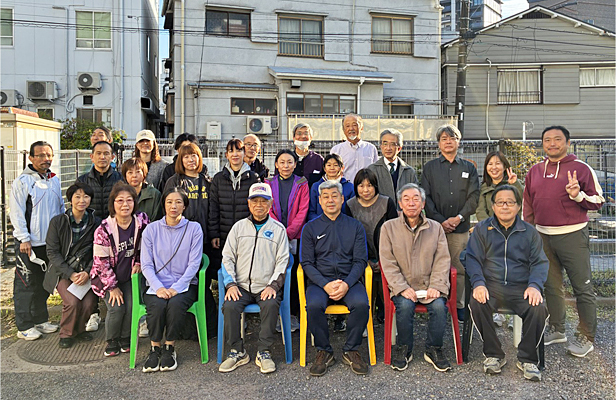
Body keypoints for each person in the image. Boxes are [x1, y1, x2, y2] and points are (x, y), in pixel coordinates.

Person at [523, 126, 604, 358]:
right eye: (547, 140)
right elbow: (528, 203)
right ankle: (557, 329)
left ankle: (586, 336)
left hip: (572, 235)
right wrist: (529, 230)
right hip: (542, 236)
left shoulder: (581, 168)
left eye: (557, 139)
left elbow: (598, 200)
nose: (552, 143)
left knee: (582, 287)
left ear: (567, 142)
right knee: (551, 285)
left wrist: (577, 195)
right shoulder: (535, 171)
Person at [466, 185, 549, 381]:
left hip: (521, 287)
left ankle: (527, 358)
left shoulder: (529, 232)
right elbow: (472, 258)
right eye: (500, 202)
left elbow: (539, 262)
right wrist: (478, 283)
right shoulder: (482, 229)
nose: (505, 206)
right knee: (477, 303)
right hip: (491, 286)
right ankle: (494, 354)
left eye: (510, 202)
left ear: (518, 206)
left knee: (538, 307)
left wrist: (535, 285)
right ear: (493, 206)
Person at [380, 183, 452, 372]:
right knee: (404, 306)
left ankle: (434, 348)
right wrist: (402, 288)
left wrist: (436, 285)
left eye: (416, 199)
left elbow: (442, 260)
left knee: (439, 307)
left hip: (430, 286)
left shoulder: (435, 228)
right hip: (402, 286)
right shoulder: (388, 228)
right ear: (400, 203)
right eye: (406, 199)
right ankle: (404, 348)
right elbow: (388, 262)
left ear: (423, 203)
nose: (411, 203)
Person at [218, 183, 290, 374]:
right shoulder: (238, 228)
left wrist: (273, 285)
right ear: (248, 204)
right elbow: (227, 257)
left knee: (271, 304)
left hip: (266, 286)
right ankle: (237, 351)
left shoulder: (278, 229)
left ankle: (264, 352)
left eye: (263, 201)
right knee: (230, 306)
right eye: (255, 201)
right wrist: (231, 284)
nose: (259, 205)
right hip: (240, 286)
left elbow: (283, 261)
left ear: (270, 204)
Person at [300, 180, 370, 376]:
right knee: (313, 306)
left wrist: (346, 284)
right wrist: (325, 284)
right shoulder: (310, 228)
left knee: (361, 304)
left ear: (342, 199)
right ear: (320, 201)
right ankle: (324, 351)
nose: (330, 200)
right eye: (326, 197)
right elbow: (307, 263)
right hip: (320, 282)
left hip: (349, 280)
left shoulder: (355, 226)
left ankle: (351, 349)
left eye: (334, 196)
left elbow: (360, 261)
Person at [140, 187, 204, 373]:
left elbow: (194, 264)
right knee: (157, 305)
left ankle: (169, 347)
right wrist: (158, 287)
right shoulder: (151, 230)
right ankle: (154, 348)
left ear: (185, 206)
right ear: (164, 205)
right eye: (169, 202)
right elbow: (146, 265)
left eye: (178, 202)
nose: (173, 206)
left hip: (184, 285)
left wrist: (177, 287)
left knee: (175, 304)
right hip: (156, 285)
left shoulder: (194, 229)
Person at [420, 124, 479, 321]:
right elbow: (425, 197)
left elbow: (474, 197)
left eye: (452, 138)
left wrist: (459, 217)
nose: (448, 142)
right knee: (433, 266)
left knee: (459, 267)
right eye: (444, 138)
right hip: (435, 228)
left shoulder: (469, 168)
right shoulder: (430, 168)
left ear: (458, 142)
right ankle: (435, 302)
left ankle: (459, 305)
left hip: (460, 228)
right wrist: (440, 221)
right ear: (439, 143)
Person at [9, 141, 64, 340]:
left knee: (43, 284)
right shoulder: (23, 182)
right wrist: (24, 238)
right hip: (29, 243)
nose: (45, 159)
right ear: (31, 158)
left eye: (49, 155)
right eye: (40, 155)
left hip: (49, 243)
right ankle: (24, 325)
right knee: (25, 284)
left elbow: (60, 208)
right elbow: (16, 212)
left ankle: (40, 319)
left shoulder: (54, 180)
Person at [163, 142, 216, 336]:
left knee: (202, 283)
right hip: (180, 242)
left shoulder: (207, 181)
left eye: (194, 156)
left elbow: (213, 210)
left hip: (204, 240)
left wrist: (213, 234)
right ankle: (184, 328)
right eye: (186, 156)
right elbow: (167, 210)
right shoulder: (174, 182)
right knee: (183, 282)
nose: (190, 160)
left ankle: (206, 327)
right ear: (180, 159)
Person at [90, 182, 149, 357]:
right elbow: (101, 263)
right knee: (116, 308)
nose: (125, 205)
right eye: (120, 200)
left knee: (131, 306)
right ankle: (112, 340)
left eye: (129, 200)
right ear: (113, 203)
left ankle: (126, 338)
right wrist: (112, 287)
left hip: (130, 276)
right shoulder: (103, 230)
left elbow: (148, 245)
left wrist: (139, 262)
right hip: (107, 278)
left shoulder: (142, 222)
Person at [44, 182, 101, 348]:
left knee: (89, 303)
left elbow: (100, 251)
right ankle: (66, 333)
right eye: (77, 196)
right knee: (72, 302)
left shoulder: (96, 222)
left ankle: (80, 330)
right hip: (63, 271)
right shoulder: (58, 222)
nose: (82, 200)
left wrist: (88, 272)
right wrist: (70, 273)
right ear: (70, 199)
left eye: (86, 196)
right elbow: (52, 252)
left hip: (86, 272)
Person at [344, 168, 397, 326]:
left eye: (369, 185)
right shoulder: (350, 205)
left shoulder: (386, 203)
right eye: (361, 186)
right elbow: (349, 237)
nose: (365, 190)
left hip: (386, 255)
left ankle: (387, 315)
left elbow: (395, 234)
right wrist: (363, 260)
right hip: (360, 257)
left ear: (375, 186)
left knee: (385, 285)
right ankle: (363, 320)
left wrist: (384, 260)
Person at [265, 150, 309, 331]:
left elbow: (303, 210)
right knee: (274, 273)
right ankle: (275, 314)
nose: (285, 166)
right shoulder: (268, 183)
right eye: (282, 162)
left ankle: (292, 314)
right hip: (273, 236)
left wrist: (289, 232)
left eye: (289, 162)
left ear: (295, 164)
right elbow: (267, 208)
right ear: (276, 164)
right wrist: (279, 231)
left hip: (295, 237)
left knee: (293, 276)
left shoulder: (302, 183)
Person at [209, 139, 260, 251]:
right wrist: (214, 233)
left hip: (247, 234)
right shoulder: (218, 179)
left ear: (244, 153)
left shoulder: (253, 178)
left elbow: (257, 208)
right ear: (226, 155)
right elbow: (213, 208)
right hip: (223, 235)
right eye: (231, 151)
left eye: (239, 150)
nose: (235, 154)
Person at [367, 129, 418, 206]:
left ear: (399, 148)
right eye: (385, 144)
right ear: (381, 146)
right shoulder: (372, 170)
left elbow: (415, 195)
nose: (388, 148)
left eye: (392, 144)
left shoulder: (409, 171)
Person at [77, 141, 123, 220]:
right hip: (90, 225)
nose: (102, 157)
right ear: (92, 157)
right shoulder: (82, 181)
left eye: (106, 153)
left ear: (112, 157)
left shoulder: (120, 179)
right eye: (98, 153)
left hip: (115, 224)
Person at [330, 114, 378, 183]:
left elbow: (376, 172)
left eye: (354, 125)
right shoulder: (336, 150)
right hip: (344, 188)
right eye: (347, 126)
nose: (351, 128)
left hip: (365, 188)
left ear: (361, 128)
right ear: (343, 130)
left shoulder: (371, 148)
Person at [476, 151, 523, 221]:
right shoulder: (484, 187)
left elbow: (523, 201)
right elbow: (480, 211)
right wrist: (490, 225)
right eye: (490, 164)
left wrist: (515, 183)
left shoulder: (514, 183)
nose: (494, 167)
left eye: (497, 163)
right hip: (490, 226)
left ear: (504, 166)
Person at [308, 154, 354, 221]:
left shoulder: (349, 187)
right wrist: (320, 223)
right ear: (324, 168)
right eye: (329, 165)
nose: (332, 168)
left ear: (342, 168)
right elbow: (311, 212)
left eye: (335, 165)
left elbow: (353, 212)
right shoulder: (316, 186)